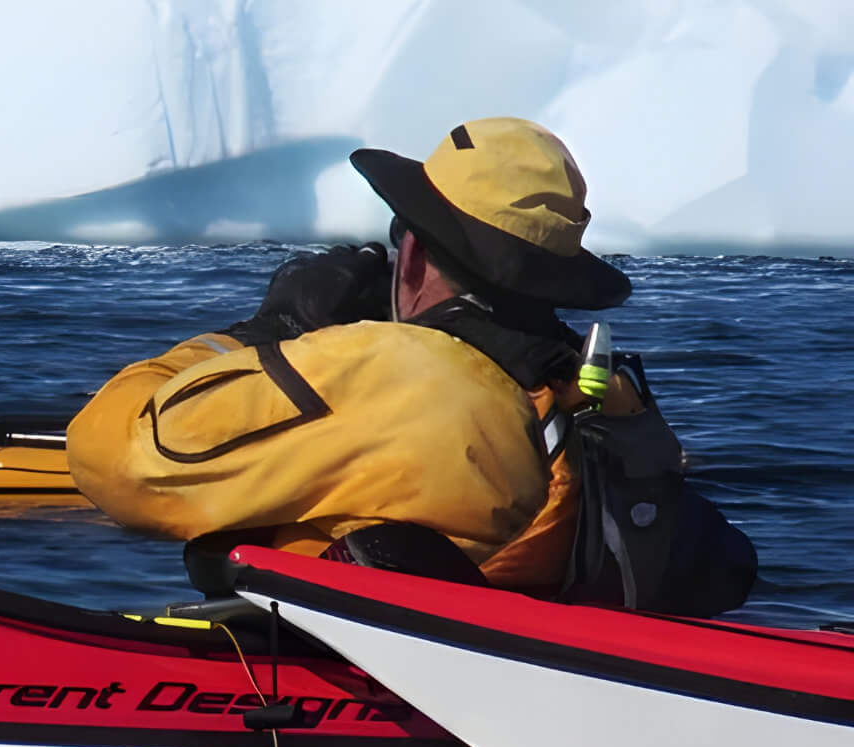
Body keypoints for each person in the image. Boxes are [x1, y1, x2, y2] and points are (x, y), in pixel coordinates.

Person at [66, 117, 755, 611]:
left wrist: (262, 334)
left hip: (356, 696)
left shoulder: (387, 368)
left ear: (417, 254)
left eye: (402, 239)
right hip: (517, 663)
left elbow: (117, 458)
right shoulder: (590, 386)